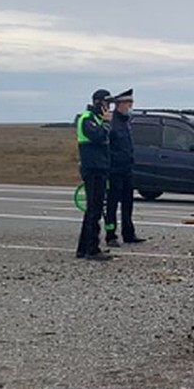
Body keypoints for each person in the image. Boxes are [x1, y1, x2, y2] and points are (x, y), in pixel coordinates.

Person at [76, 89, 113, 260]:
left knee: (94, 209)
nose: (108, 108)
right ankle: (92, 249)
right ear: (99, 103)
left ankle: (83, 248)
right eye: (106, 104)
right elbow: (98, 136)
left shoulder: (96, 119)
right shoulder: (87, 119)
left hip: (100, 168)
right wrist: (106, 124)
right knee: (94, 210)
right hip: (93, 169)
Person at [104, 89, 145, 245]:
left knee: (128, 203)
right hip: (114, 170)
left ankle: (128, 234)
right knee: (112, 204)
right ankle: (110, 235)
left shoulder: (126, 122)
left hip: (127, 169)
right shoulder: (111, 123)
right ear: (120, 104)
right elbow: (108, 147)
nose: (131, 106)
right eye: (129, 103)